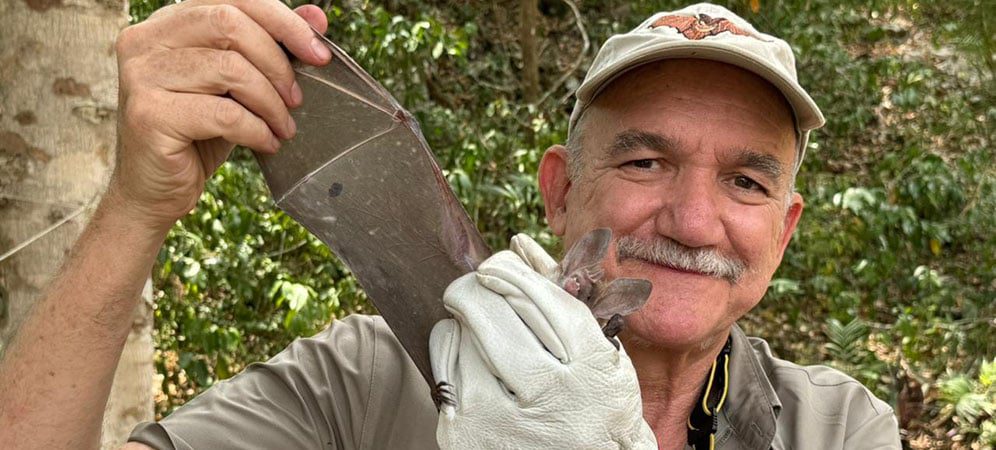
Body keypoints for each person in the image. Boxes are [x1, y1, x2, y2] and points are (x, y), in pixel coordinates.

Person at [0, 1, 902, 449]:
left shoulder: (832, 426)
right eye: (644, 162)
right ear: (560, 190)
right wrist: (134, 207)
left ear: (782, 232)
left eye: (745, 181)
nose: (695, 218)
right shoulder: (374, 376)